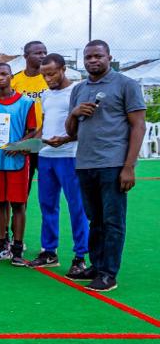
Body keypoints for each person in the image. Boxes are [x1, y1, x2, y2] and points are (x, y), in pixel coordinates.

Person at [63, 40, 146, 292]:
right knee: (95, 219)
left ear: (109, 57)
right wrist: (75, 113)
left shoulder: (126, 85)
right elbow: (71, 132)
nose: (92, 61)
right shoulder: (79, 89)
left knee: (113, 221)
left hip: (113, 163)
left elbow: (138, 126)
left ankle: (109, 273)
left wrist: (129, 166)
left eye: (97, 56)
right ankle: (97, 266)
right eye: (88, 57)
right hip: (85, 163)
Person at [30, 53, 88, 274]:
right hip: (46, 156)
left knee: (77, 207)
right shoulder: (45, 95)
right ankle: (49, 252)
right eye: (44, 75)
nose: (47, 79)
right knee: (47, 205)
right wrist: (26, 143)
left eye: (52, 74)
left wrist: (65, 139)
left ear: (64, 69)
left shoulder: (77, 91)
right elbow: (45, 125)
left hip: (70, 155)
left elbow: (84, 127)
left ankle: (80, 256)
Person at [0, 63, 38, 264]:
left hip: (17, 160)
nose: (0, 78)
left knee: (18, 205)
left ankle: (18, 248)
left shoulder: (25, 103)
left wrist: (20, 144)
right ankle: (0, 245)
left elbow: (33, 130)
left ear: (11, 76)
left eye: (4, 74)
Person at [11, 40, 49, 190]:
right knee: (22, 188)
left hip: (45, 141)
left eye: (45, 52)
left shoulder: (49, 79)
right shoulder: (15, 81)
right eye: (38, 53)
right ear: (26, 56)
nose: (43, 56)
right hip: (22, 140)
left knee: (48, 187)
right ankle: (18, 214)